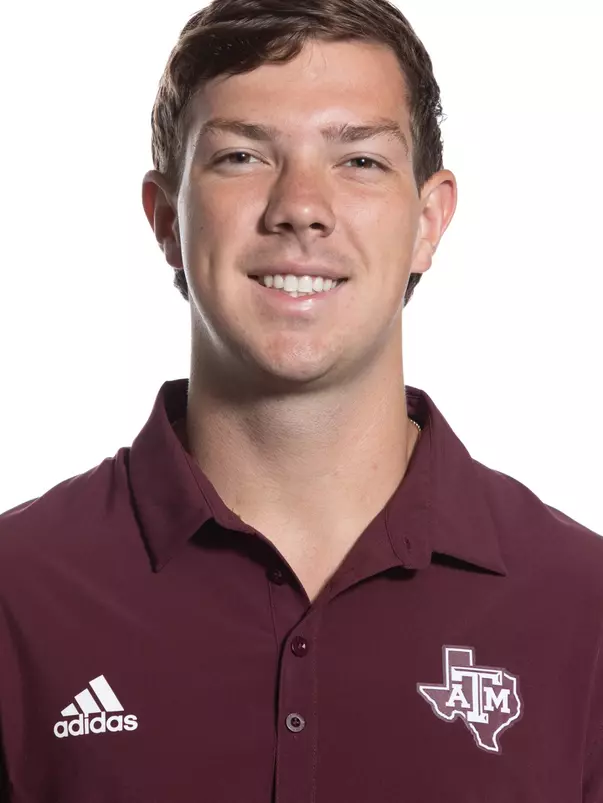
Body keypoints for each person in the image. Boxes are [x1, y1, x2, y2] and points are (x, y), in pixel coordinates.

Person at [0, 0, 601, 800]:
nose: (301, 207)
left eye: (358, 161)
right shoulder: (18, 591)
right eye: (243, 156)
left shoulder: (580, 607)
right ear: (165, 219)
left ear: (427, 220)